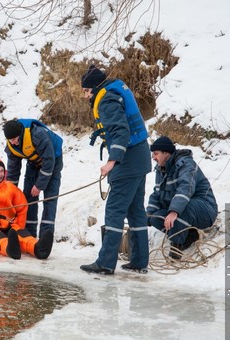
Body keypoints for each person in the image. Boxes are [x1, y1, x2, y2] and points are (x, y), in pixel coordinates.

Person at [79, 65, 151, 275]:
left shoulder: (108, 100)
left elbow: (121, 131)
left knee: (114, 211)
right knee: (136, 211)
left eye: (86, 91)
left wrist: (112, 161)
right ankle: (139, 261)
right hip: (141, 157)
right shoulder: (114, 92)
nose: (85, 96)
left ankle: (105, 263)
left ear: (94, 88)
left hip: (127, 161)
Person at [147, 136, 218, 260]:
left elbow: (186, 188)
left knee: (184, 207)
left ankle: (177, 247)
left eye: (156, 153)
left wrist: (174, 211)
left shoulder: (186, 164)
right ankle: (189, 235)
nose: (153, 157)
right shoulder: (161, 170)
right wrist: (149, 215)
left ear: (166, 153)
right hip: (183, 208)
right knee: (155, 217)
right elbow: (157, 193)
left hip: (205, 209)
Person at [0, 157, 54, 260]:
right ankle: (9, 249)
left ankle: (38, 248)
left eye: (1, 171)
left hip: (9, 223)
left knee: (23, 236)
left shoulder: (10, 188)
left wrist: (19, 226)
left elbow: (22, 206)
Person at [3, 119, 63, 241]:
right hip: (34, 162)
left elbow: (49, 161)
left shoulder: (38, 134)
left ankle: (46, 235)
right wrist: (10, 192)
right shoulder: (11, 146)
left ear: (20, 134)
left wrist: (39, 185)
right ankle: (30, 232)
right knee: (28, 197)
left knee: (49, 198)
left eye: (15, 139)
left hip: (53, 161)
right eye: (10, 140)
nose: (13, 142)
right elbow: (13, 170)